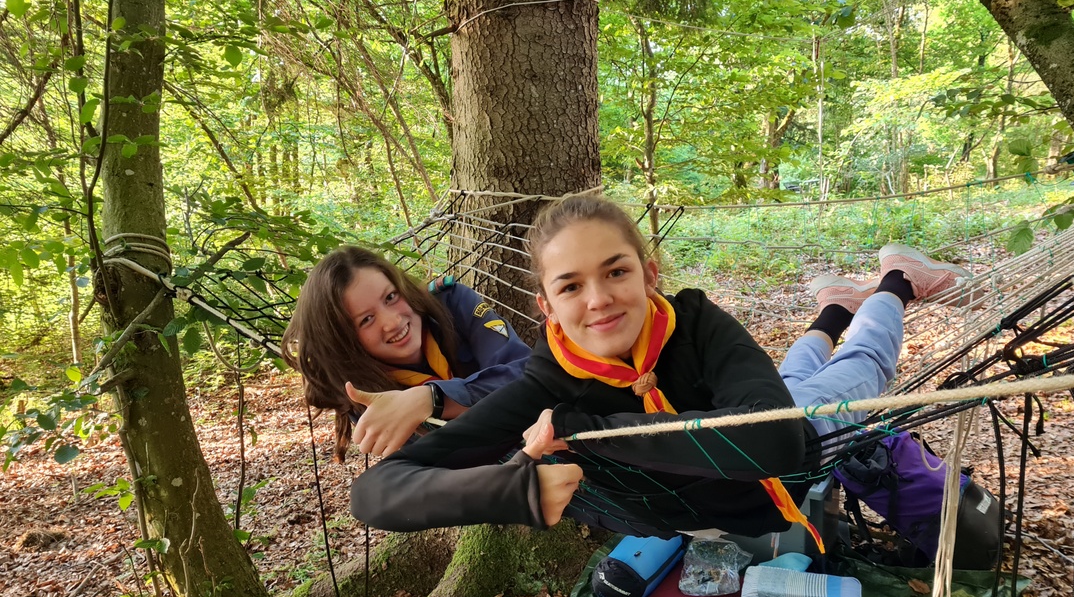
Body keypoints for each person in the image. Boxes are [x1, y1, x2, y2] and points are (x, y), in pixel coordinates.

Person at [349, 196, 968, 538]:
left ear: (649, 275)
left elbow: (777, 440)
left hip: (808, 436)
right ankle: (833, 306)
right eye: (571, 286)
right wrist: (514, 490)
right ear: (547, 307)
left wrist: (589, 431)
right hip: (743, 430)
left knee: (864, 365)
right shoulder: (547, 382)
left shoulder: (693, 323)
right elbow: (377, 493)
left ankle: (896, 280)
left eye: (616, 272)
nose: (598, 300)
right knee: (790, 380)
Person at [282, 246, 532, 462]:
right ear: (344, 342)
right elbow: (441, 461)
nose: (392, 321)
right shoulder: (360, 390)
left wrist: (432, 399)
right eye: (366, 319)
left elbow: (530, 377)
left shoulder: (451, 303)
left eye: (391, 297)